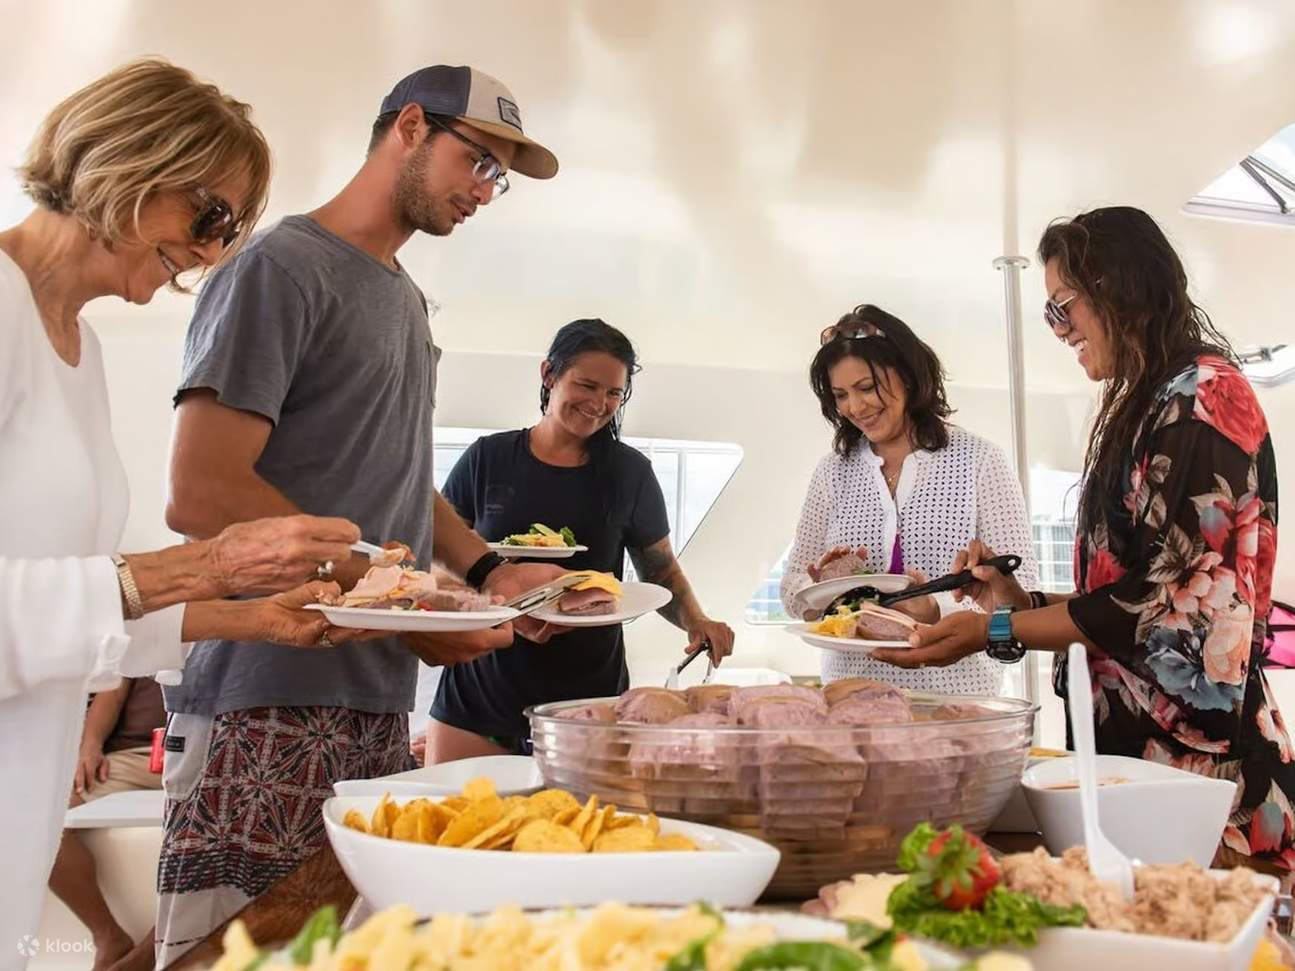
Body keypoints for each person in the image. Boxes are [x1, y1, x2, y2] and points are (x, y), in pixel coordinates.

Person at [158, 64, 565, 964]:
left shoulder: (404, 298)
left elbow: (398, 475)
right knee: (228, 955)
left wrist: (491, 574)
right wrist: (399, 599)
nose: (484, 193)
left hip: (373, 701)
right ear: (410, 126)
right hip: (261, 693)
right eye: (480, 162)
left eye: (499, 177)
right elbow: (202, 490)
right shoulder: (277, 266)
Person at [0, 58, 365, 971]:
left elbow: (79, 613)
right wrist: (200, 566)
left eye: (230, 231)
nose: (212, 252)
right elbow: (91, 594)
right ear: (127, 162)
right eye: (209, 217)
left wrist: (249, 617)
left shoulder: (76, 352)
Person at [874, 206, 1295, 882]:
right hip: (1142, 765)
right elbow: (1127, 598)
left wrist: (993, 630)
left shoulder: (1201, 401)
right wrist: (1013, 600)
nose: (1059, 330)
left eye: (1062, 308)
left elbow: (1167, 612)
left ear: (1118, 287)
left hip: (1204, 781)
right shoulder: (1155, 400)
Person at [428, 319, 736, 760]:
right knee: (453, 826)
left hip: (589, 700)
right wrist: (492, 605)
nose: (599, 403)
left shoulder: (630, 473)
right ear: (549, 374)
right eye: (587, 385)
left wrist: (697, 621)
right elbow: (441, 560)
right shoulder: (487, 458)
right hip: (478, 693)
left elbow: (660, 569)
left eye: (614, 393)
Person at [780, 304, 1037, 693]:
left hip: (958, 699)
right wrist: (827, 585)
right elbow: (791, 591)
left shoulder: (979, 460)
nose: (855, 407)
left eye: (866, 388)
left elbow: (1022, 592)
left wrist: (937, 610)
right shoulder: (832, 471)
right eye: (841, 395)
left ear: (909, 374)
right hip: (853, 696)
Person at [47, 680, 165, 970]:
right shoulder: (136, 635)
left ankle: (158, 946)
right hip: (130, 755)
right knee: (41, 826)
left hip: (201, 753)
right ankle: (108, 935)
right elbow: (113, 690)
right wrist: (89, 746)